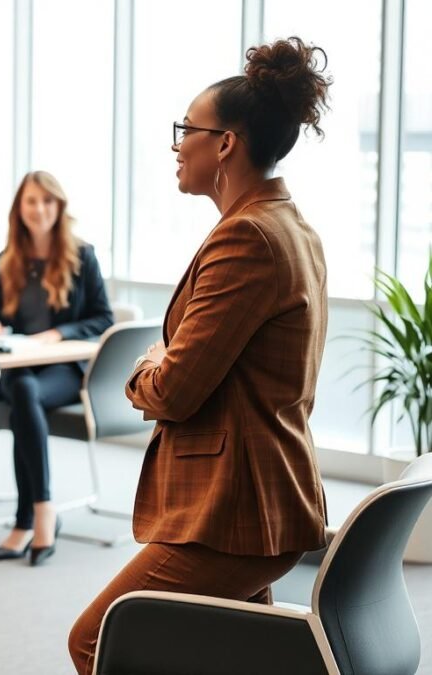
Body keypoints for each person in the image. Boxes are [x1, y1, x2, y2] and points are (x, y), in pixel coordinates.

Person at [67, 37, 332, 673]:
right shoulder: (286, 223)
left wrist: (144, 366)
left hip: (235, 510)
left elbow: (174, 390)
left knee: (98, 641)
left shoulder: (248, 236)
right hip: (260, 500)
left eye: (187, 129)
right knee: (236, 659)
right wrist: (166, 358)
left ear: (226, 144)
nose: (177, 144)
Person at [0, 171, 113, 566]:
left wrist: (59, 333)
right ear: (19, 209)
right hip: (19, 367)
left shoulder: (82, 256)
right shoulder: (8, 259)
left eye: (47, 201)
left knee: (23, 397)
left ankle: (30, 518)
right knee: (22, 391)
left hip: (64, 370)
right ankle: (40, 513)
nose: (39, 209)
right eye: (31, 201)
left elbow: (103, 318)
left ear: (59, 207)